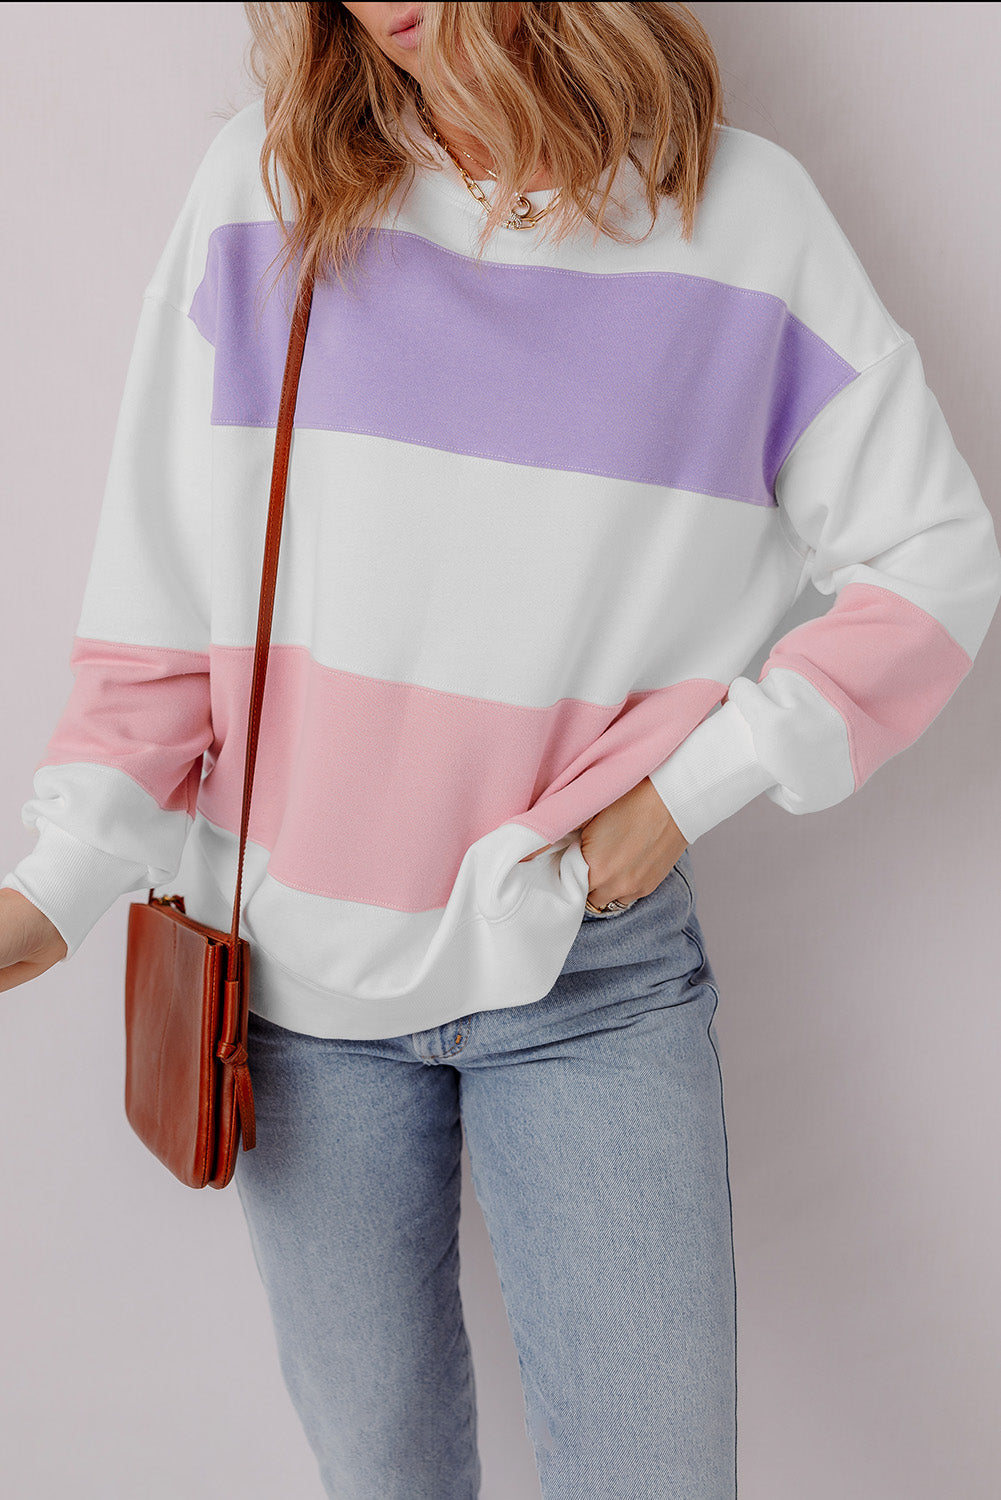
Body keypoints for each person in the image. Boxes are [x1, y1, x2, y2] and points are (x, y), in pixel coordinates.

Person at [2, 2, 999, 1495]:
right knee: (385, 1477)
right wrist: (53, 885)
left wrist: (687, 792)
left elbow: (933, 559)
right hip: (292, 986)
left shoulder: (738, 219)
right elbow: (159, 612)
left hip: (591, 976)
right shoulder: (263, 191)